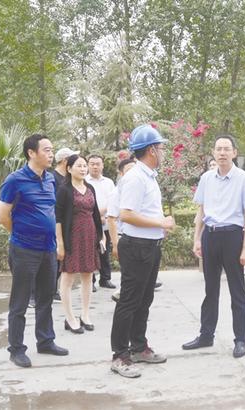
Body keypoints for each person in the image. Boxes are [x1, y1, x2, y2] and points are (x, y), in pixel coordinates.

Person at [0, 134, 69, 369]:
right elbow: (3, 216)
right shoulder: (14, 180)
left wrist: (56, 242)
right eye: (46, 150)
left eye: (52, 150)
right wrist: (21, 235)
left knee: (46, 298)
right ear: (31, 153)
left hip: (48, 249)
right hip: (24, 250)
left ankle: (45, 341)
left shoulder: (50, 179)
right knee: (19, 301)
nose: (51, 154)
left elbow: (52, 213)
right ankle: (16, 349)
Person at [110, 124, 175, 378]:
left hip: (149, 246)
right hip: (136, 247)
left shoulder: (148, 176)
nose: (163, 152)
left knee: (144, 299)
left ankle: (138, 347)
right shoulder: (136, 177)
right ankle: (119, 355)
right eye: (161, 148)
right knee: (129, 301)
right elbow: (126, 214)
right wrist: (161, 223)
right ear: (151, 150)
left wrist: (159, 227)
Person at [182, 135, 245, 359]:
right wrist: (197, 238)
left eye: (226, 149)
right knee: (210, 290)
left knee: (237, 291)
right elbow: (201, 211)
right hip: (210, 236)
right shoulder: (206, 178)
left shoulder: (244, 179)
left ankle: (241, 339)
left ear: (234, 152)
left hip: (233, 237)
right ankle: (206, 335)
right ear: (213, 152)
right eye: (218, 149)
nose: (222, 152)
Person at [56, 155, 103, 334]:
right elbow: (58, 218)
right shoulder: (64, 190)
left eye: (85, 166)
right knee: (68, 277)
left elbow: (95, 214)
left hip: (89, 235)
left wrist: (100, 237)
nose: (83, 169)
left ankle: (85, 314)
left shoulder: (90, 188)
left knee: (88, 275)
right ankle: (70, 318)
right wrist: (60, 243)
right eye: (79, 166)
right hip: (72, 237)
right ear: (69, 169)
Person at [49, 147, 78, 303]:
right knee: (55, 258)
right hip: (56, 223)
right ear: (66, 161)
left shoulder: (68, 179)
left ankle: (52, 290)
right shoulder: (52, 178)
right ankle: (44, 291)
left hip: (68, 225)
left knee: (62, 258)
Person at [108, 158, 137, 303]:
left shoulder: (137, 189)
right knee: (129, 274)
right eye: (129, 170)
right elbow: (111, 219)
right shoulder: (116, 192)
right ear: (121, 173)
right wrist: (115, 244)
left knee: (135, 274)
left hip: (137, 238)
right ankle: (123, 300)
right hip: (123, 237)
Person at [86, 154, 117, 290]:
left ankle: (105, 279)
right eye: (92, 164)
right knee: (90, 251)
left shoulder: (109, 182)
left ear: (102, 165)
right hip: (89, 222)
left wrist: (104, 215)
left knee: (105, 251)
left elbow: (114, 201)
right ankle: (90, 281)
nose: (95, 166)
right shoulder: (84, 181)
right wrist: (97, 216)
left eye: (98, 164)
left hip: (106, 222)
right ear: (88, 165)